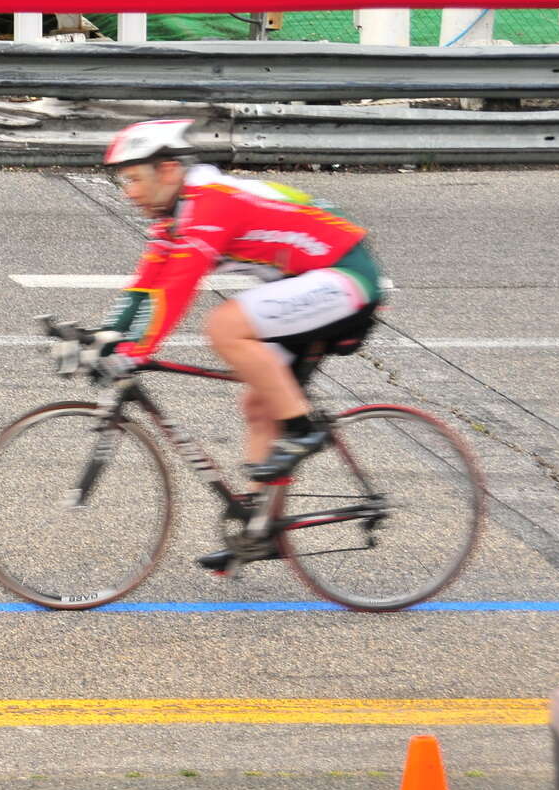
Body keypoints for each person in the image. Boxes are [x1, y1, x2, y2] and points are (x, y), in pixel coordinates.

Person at [90, 118, 384, 562]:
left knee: (225, 326)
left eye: (133, 178)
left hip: (345, 275)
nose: (127, 192)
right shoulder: (174, 215)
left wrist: (135, 352)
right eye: (122, 182)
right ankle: (259, 532)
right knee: (261, 404)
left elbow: (179, 287)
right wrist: (105, 337)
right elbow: (146, 284)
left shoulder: (210, 202)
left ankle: (304, 431)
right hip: (305, 281)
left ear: (167, 170)